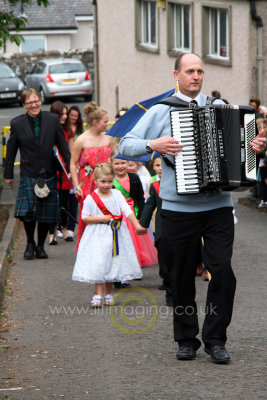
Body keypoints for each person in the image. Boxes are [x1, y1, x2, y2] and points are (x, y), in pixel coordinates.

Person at [120, 53, 266, 364]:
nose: (196, 76)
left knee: (223, 273)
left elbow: (245, 154)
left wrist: (253, 149)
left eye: (200, 71)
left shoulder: (220, 108)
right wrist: (152, 146)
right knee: (180, 277)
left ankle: (216, 339)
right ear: (177, 75)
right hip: (177, 209)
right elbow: (125, 145)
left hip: (218, 206)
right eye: (190, 71)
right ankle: (186, 339)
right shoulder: (161, 111)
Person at [4, 88, 70, 260]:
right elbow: (10, 151)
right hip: (28, 172)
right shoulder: (17, 123)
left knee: (45, 213)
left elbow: (62, 145)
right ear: (24, 105)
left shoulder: (52, 120)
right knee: (28, 213)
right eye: (29, 102)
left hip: (48, 171)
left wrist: (69, 166)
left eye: (36, 101)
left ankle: (40, 246)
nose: (34, 105)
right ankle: (29, 243)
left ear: (40, 101)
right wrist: (8, 174)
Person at [72, 163, 146, 307]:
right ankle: (98, 294)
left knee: (112, 262)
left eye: (109, 181)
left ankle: (108, 293)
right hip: (97, 235)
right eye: (103, 181)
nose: (106, 185)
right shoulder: (91, 198)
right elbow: (85, 217)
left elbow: (126, 210)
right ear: (95, 180)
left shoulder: (117, 194)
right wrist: (101, 218)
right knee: (99, 262)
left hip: (115, 234)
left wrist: (137, 225)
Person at [70, 102, 113, 250]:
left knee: (108, 213)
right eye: (105, 121)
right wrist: (77, 186)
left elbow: (112, 160)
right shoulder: (81, 140)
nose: (107, 124)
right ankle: (87, 249)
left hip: (107, 181)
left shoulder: (108, 138)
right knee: (89, 215)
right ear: (95, 122)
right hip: (88, 183)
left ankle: (106, 247)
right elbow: (73, 164)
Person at [111, 149, 158, 268]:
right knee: (120, 243)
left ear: (128, 163)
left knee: (135, 243)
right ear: (111, 163)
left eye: (123, 163)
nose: (120, 166)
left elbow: (140, 199)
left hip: (132, 215)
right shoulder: (110, 180)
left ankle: (135, 265)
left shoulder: (134, 178)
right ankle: (121, 266)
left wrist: (141, 217)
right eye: (116, 163)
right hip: (117, 216)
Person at [139, 157, 173, 306]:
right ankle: (168, 285)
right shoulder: (155, 185)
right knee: (164, 258)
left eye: (164, 165)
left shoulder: (179, 184)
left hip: (179, 225)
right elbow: (149, 205)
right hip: (161, 227)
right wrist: (143, 224)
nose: (161, 168)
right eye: (158, 165)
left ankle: (177, 291)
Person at [48, 101, 75, 244]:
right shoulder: (49, 129)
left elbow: (71, 150)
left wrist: (72, 166)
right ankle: (51, 231)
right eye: (62, 114)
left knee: (64, 201)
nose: (65, 116)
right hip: (52, 169)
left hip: (64, 170)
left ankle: (64, 228)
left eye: (66, 113)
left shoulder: (68, 129)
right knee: (51, 202)